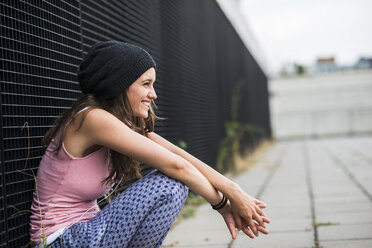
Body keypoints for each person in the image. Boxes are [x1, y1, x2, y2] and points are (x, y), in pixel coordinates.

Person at [29, 41, 270, 248]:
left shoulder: (115, 123)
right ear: (118, 84)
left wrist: (233, 190)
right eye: (146, 84)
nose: (153, 94)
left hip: (89, 234)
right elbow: (177, 167)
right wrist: (221, 204)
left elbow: (178, 155)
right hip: (62, 242)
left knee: (174, 179)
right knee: (170, 182)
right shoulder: (91, 118)